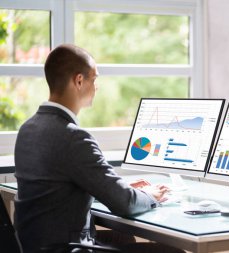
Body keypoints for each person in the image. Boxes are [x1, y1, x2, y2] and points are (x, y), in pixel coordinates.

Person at [14, 44, 183, 253]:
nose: (97, 86)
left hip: (36, 246)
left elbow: (63, 186)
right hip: (65, 248)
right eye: (94, 79)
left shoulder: (28, 129)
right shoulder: (74, 138)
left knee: (122, 236)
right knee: (169, 251)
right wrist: (150, 195)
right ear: (79, 81)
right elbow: (125, 204)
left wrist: (122, 187)